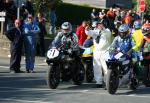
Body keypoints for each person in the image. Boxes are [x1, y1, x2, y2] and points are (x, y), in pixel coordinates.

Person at [85, 21, 112, 87]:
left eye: (100, 24)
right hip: (96, 51)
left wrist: (103, 29)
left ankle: (107, 82)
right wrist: (87, 29)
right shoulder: (95, 31)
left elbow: (108, 34)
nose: (99, 26)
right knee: (97, 67)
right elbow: (89, 32)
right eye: (98, 25)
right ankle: (98, 82)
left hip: (105, 51)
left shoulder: (107, 31)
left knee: (105, 67)